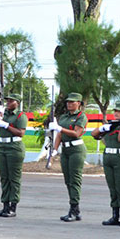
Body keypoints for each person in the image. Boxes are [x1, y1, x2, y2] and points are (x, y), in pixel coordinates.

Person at [91, 102, 120, 226]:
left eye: (119, 111)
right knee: (112, 188)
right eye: (115, 110)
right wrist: (102, 128)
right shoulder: (111, 124)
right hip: (108, 157)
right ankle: (115, 215)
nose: (116, 113)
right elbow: (93, 134)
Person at [49, 92, 88, 222]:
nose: (69, 104)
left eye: (72, 102)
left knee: (75, 180)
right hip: (65, 150)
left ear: (79, 104)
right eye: (68, 102)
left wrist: (59, 128)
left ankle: (74, 208)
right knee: (68, 180)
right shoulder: (64, 117)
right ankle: (76, 211)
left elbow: (76, 133)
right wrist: (54, 150)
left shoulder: (81, 117)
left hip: (76, 149)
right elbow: (59, 135)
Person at [0, 94, 28, 217]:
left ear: (17, 103)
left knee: (14, 178)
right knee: (4, 177)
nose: (8, 102)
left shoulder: (20, 116)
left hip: (14, 147)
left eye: (11, 101)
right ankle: (5, 205)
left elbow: (20, 133)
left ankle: (13, 206)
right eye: (7, 100)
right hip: (2, 147)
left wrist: (7, 126)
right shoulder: (4, 114)